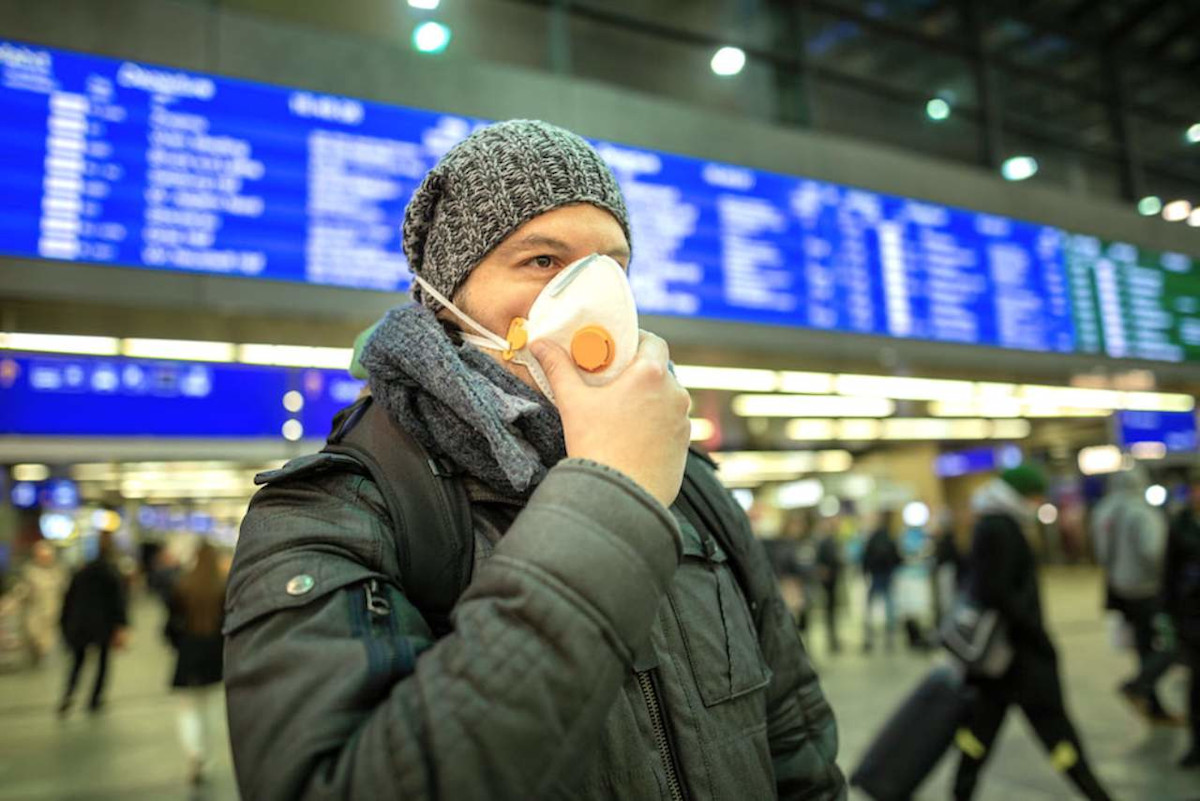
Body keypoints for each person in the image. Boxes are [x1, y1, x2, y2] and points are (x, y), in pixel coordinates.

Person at [222, 120, 845, 801]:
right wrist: (611, 494)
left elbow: (796, 749)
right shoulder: (337, 512)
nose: (593, 297)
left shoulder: (688, 483)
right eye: (543, 261)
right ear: (448, 298)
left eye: (613, 266)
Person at [954, 466, 1114, 801]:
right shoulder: (1001, 527)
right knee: (1053, 729)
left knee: (981, 733)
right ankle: (1096, 794)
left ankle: (961, 792)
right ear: (1022, 494)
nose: (1040, 503)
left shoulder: (995, 523)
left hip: (1001, 661)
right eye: (1037, 496)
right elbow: (998, 591)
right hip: (1018, 654)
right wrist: (1035, 634)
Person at [1091, 466, 1174, 723]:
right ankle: (1140, 685)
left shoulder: (1102, 511)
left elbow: (1101, 553)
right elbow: (1154, 553)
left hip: (1120, 588)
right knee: (1174, 644)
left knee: (1143, 644)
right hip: (1148, 589)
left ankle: (1152, 703)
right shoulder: (1143, 512)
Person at [166, 542, 227, 785]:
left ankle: (194, 753)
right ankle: (206, 753)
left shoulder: (182, 585)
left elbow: (170, 624)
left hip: (188, 651)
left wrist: (177, 643)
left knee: (187, 708)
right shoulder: (223, 586)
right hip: (214, 652)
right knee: (210, 707)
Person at [58, 531, 128, 716]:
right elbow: (118, 602)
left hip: (80, 624)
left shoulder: (81, 572)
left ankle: (68, 695)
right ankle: (95, 699)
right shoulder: (111, 573)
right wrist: (121, 625)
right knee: (103, 663)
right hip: (103, 625)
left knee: (77, 662)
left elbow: (69, 600)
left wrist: (65, 623)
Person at [1162, 470, 1200, 768]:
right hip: (1192, 616)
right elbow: (1168, 573)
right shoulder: (1180, 525)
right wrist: (1168, 614)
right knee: (1196, 684)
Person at [861, 511, 901, 652]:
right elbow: (897, 558)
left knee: (870, 607)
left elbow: (865, 557)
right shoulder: (890, 538)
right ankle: (890, 637)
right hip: (887, 576)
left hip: (875, 575)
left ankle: (868, 637)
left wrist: (865, 572)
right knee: (889, 607)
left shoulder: (871, 539)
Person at [21, 541, 65, 665]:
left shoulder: (58, 572)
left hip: (52, 613)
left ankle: (41, 655)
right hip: (34, 612)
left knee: (46, 641)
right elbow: (22, 591)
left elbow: (64, 591)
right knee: (33, 636)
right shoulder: (30, 572)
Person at [815, 516, 843, 653]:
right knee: (829, 610)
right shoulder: (825, 542)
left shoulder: (832, 541)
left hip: (833, 580)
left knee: (832, 610)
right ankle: (831, 639)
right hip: (828, 581)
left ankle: (833, 638)